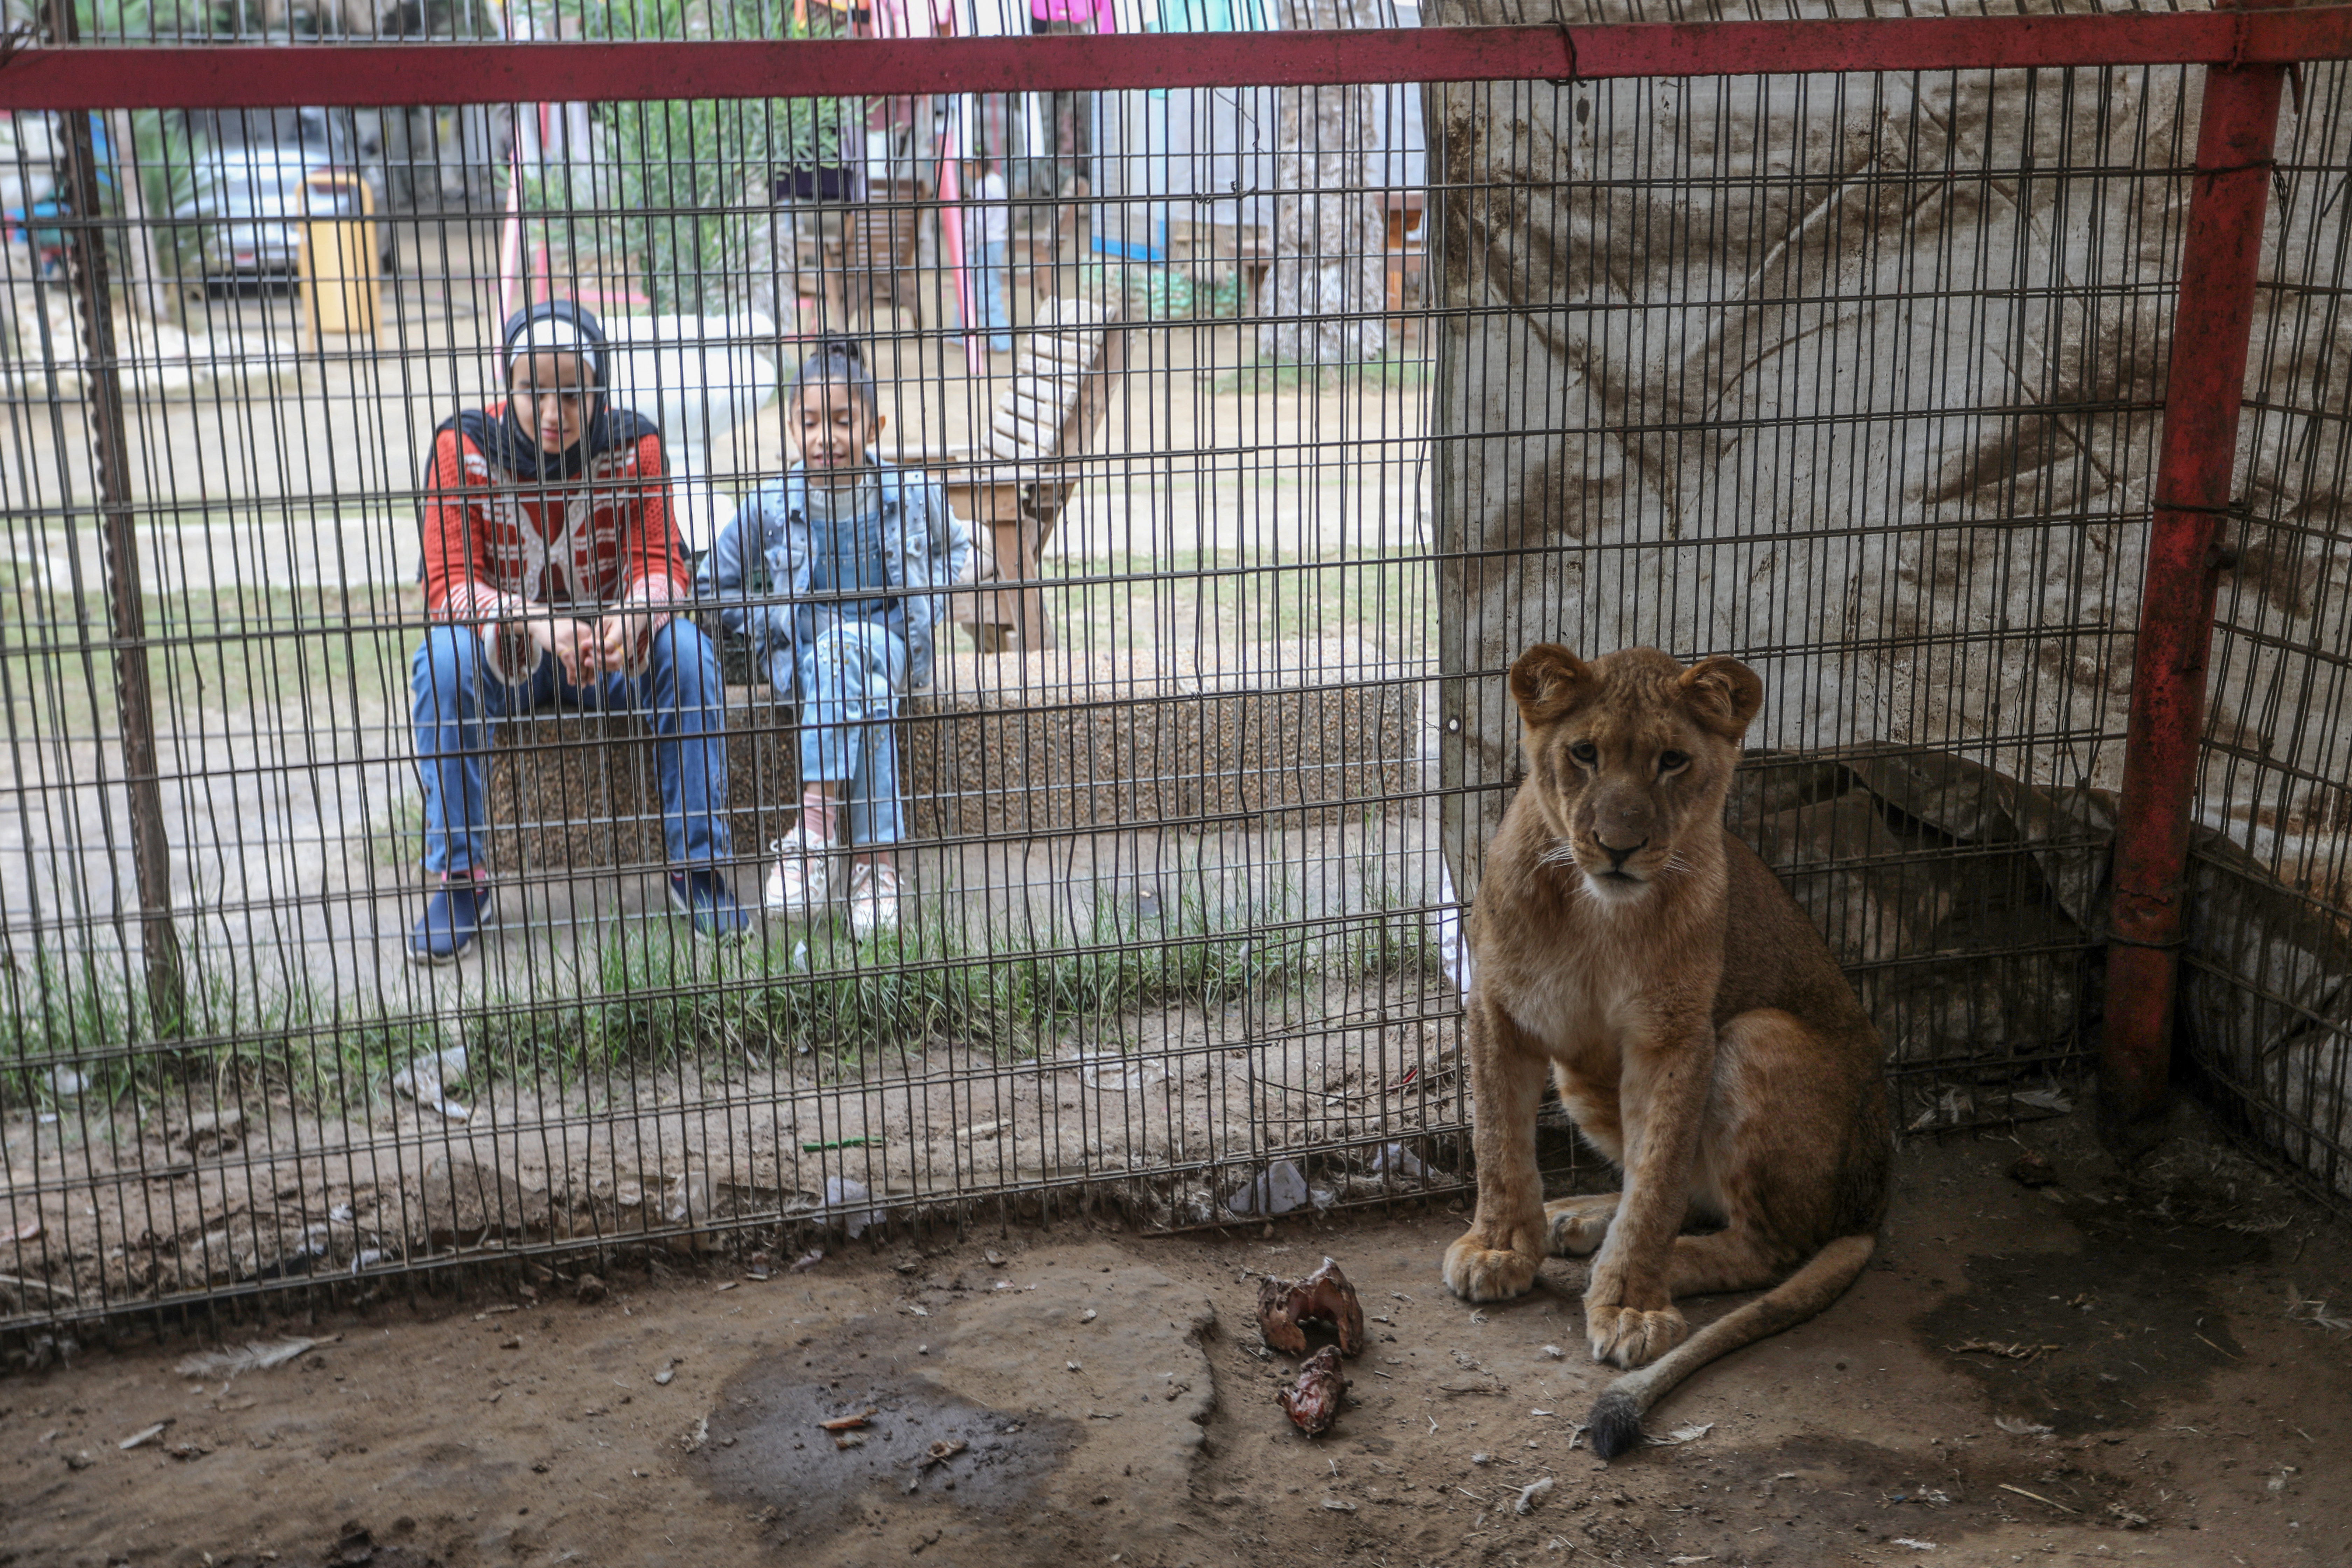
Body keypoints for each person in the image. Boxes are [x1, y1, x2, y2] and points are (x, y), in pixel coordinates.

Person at [409, 300, 749, 964]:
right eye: (533, 390)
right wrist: (533, 621)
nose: (552, 410)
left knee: (686, 650)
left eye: (572, 392)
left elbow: (664, 567)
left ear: (599, 390)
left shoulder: (637, 445)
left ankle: (697, 863)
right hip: (509, 654)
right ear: (508, 389)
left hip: (609, 655)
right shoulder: (463, 448)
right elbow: (447, 587)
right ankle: (461, 878)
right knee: (442, 663)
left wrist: (632, 616)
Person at [700, 338, 970, 937]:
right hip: (805, 661)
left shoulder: (911, 492)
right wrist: (768, 621)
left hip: (893, 646)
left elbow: (961, 549)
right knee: (858, 682)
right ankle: (876, 868)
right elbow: (713, 582)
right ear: (793, 426)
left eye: (843, 421)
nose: (826, 436)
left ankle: (815, 834)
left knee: (855, 651)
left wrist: (932, 600)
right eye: (811, 421)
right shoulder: (771, 504)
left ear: (873, 426)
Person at [959, 158, 1014, 355]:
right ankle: (960, 335)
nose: (965, 171)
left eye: (966, 167)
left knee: (986, 292)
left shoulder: (983, 187)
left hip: (986, 243)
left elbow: (978, 223)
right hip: (993, 241)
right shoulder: (996, 181)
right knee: (973, 288)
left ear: (977, 166)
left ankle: (1001, 340)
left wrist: (966, 244)